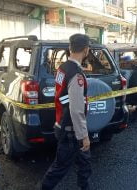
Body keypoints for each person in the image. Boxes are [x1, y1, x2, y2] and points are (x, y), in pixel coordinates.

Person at [41, 34, 91, 190]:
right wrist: (84, 136)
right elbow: (76, 110)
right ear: (86, 50)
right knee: (59, 168)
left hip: (63, 123)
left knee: (84, 163)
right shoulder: (76, 74)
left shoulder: (62, 68)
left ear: (70, 48)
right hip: (71, 130)